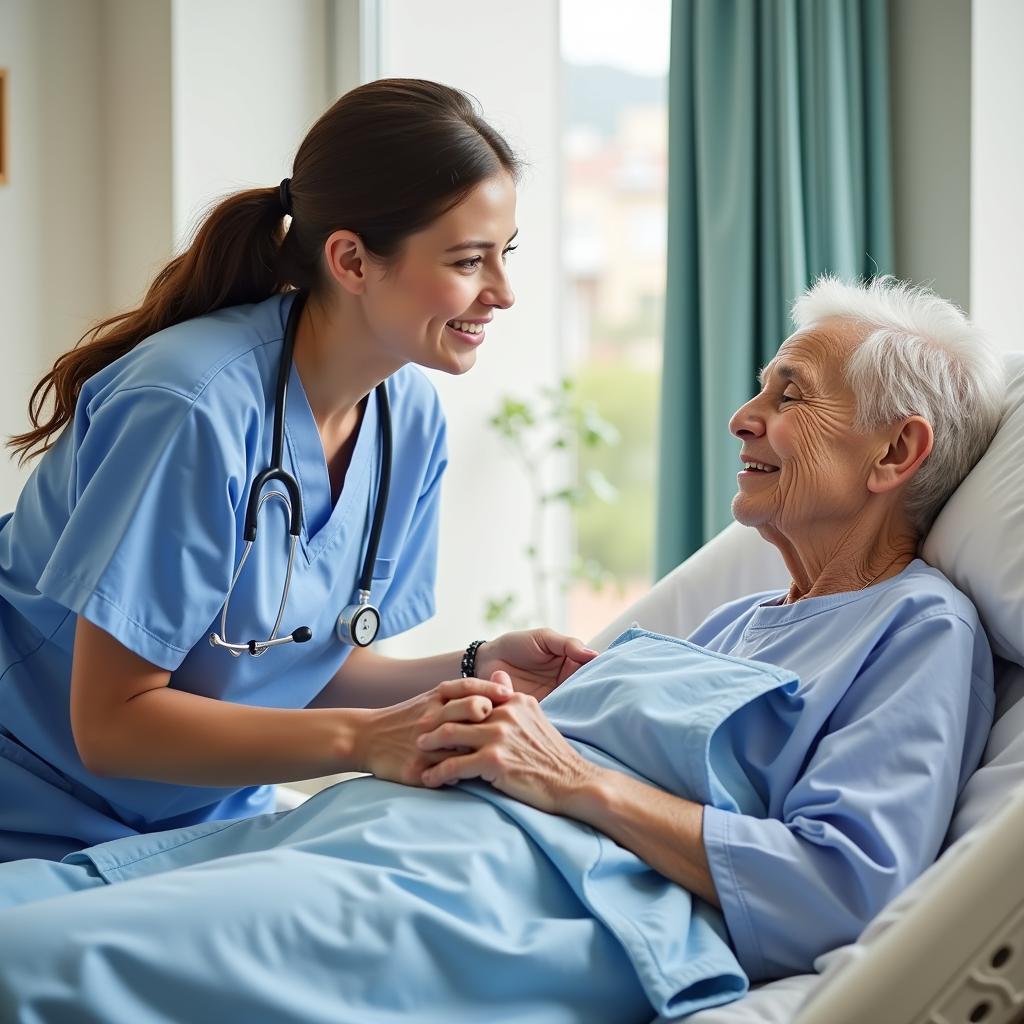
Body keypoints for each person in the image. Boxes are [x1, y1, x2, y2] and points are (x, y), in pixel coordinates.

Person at [0, 278, 1005, 1023]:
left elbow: (841, 887)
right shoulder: (745, 618)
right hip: (382, 834)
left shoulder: (919, 626)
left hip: (514, 899)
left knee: (38, 965)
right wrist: (485, 685)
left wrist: (573, 779)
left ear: (896, 452)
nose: (744, 416)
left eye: (790, 395)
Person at [0, 78, 597, 864]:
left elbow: (293, 660)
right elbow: (112, 724)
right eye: (467, 260)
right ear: (351, 259)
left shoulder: (405, 419)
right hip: (32, 804)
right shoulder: (191, 408)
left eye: (505, 254)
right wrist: (367, 740)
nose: (505, 292)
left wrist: (470, 668)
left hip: (204, 815)